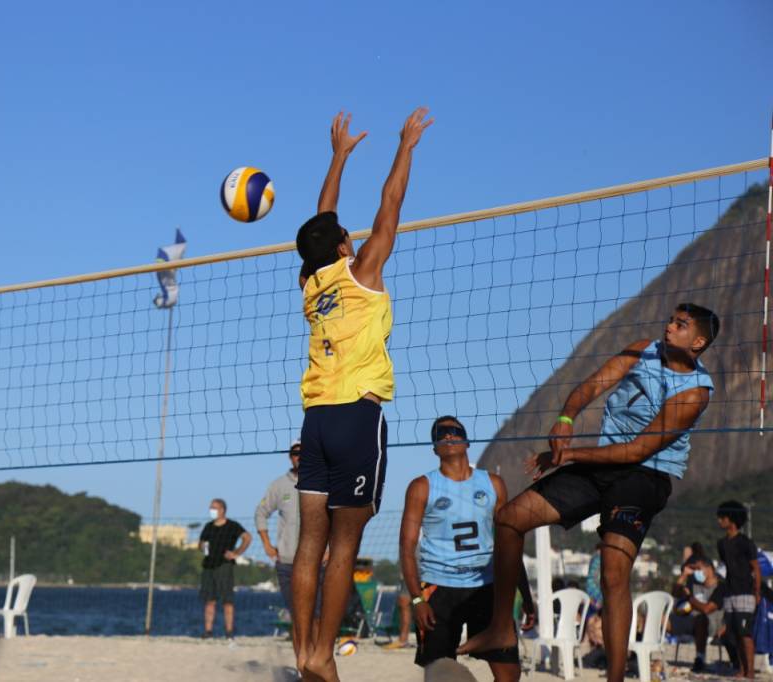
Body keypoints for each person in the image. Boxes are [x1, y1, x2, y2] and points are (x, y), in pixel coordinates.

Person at [459, 303, 719, 682]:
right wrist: (566, 419)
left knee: (614, 573)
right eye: (669, 319)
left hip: (646, 475)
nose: (668, 327)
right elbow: (593, 385)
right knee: (509, 519)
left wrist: (566, 454)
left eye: (679, 325)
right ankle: (501, 627)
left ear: (697, 342)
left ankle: (615, 677)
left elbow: (637, 451)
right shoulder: (642, 349)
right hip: (601, 464)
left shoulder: (695, 393)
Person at [291, 106, 434, 682]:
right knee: (344, 546)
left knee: (309, 545)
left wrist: (339, 156)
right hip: (357, 416)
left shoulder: (309, 284)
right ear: (346, 246)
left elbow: (321, 220)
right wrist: (405, 148)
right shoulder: (361, 271)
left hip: (316, 420)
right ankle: (322, 657)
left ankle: (302, 652)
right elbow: (391, 206)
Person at [400, 416, 536, 682]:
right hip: (439, 589)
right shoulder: (422, 486)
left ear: (466, 440)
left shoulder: (493, 483)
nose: (448, 436)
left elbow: (508, 545)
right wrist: (417, 599)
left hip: (486, 585)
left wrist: (527, 599)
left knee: (509, 674)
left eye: (454, 431)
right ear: (434, 447)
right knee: (439, 673)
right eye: (440, 434)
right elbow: (406, 546)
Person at [255, 440, 321, 658]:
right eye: (295, 453)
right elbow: (261, 512)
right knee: (298, 617)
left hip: (316, 561)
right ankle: (302, 665)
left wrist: (330, 548)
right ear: (290, 457)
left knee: (317, 616)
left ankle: (316, 662)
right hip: (288, 562)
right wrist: (266, 544)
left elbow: (337, 517)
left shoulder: (323, 480)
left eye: (304, 452)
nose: (299, 456)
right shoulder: (279, 485)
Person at [716, 500, 761, 678]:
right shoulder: (722, 544)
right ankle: (741, 669)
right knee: (733, 634)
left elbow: (755, 568)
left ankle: (750, 672)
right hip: (730, 592)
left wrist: (757, 592)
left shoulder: (745, 542)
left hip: (745, 593)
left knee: (745, 633)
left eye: (723, 517)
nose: (719, 520)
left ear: (732, 519)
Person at [198, 498, 252, 640]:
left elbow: (247, 537)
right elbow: (201, 543)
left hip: (224, 566)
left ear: (222, 510)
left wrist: (236, 553)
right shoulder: (208, 526)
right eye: (211, 508)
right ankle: (208, 631)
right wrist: (202, 547)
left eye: (214, 508)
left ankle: (229, 632)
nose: (211, 510)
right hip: (208, 565)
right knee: (209, 600)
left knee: (227, 600)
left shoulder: (232, 526)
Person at [670, 553, 726, 672]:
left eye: (697, 569)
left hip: (712, 624)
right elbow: (675, 593)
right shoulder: (693, 584)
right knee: (663, 620)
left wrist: (690, 598)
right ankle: (638, 652)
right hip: (689, 621)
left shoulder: (720, 587)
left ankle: (700, 658)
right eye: (693, 569)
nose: (695, 572)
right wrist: (684, 575)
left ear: (709, 568)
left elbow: (707, 609)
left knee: (701, 619)